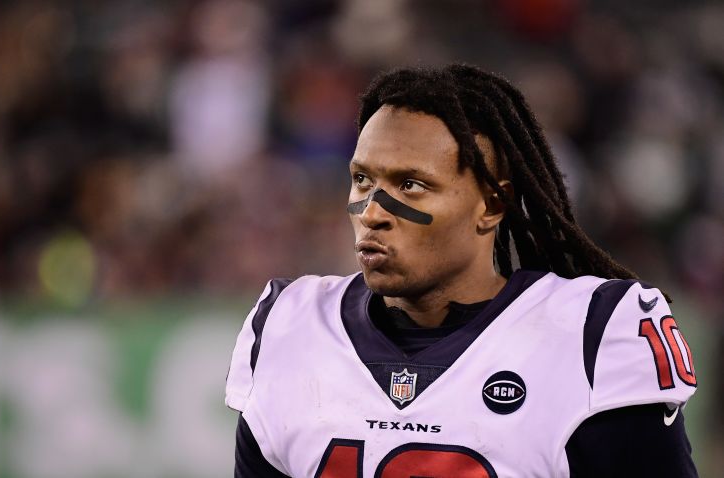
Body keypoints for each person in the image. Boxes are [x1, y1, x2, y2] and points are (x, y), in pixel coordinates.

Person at [225, 65, 698, 477]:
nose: (372, 211)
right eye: (362, 179)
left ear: (491, 204)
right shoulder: (291, 326)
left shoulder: (590, 336)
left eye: (410, 185)